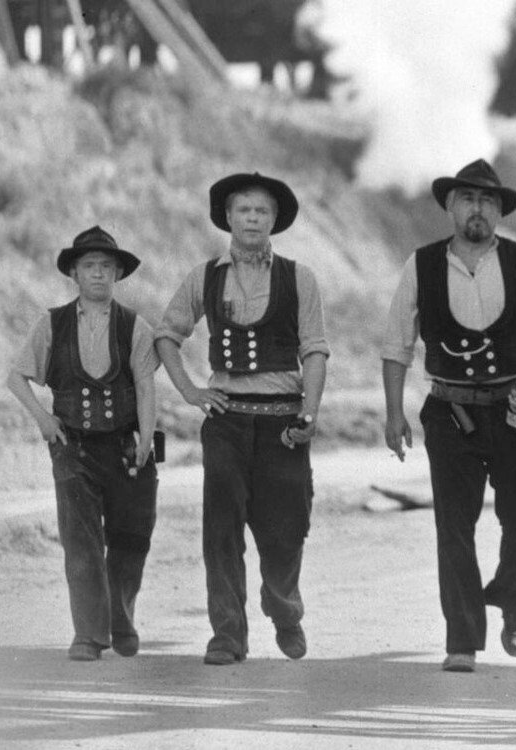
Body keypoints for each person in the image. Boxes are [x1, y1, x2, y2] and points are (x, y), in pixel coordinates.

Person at [380, 159, 516, 673]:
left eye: (487, 200)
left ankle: (513, 599)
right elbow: (396, 344)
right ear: (450, 207)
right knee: (454, 526)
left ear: (500, 211)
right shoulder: (421, 265)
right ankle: (461, 638)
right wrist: (394, 413)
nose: (477, 209)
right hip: (450, 411)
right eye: (466, 199)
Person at [155, 172, 329, 666]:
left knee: (286, 531)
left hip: (283, 423)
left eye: (262, 211)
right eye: (244, 210)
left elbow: (315, 350)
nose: (252, 219)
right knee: (221, 530)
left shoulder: (300, 278)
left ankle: (284, 607)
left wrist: (310, 410)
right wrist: (191, 391)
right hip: (227, 421)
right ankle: (228, 635)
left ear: (274, 221)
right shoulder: (205, 276)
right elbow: (166, 335)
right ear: (228, 217)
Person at [6, 227, 159, 661]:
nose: (98, 274)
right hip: (72, 448)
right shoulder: (51, 323)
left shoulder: (135, 326)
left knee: (131, 538)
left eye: (106, 267)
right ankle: (89, 636)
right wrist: (44, 420)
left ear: (118, 274)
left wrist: (147, 436)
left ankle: (121, 621)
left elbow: (146, 387)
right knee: (81, 543)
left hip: (126, 447)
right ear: (74, 273)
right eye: (89, 266)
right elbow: (16, 378)